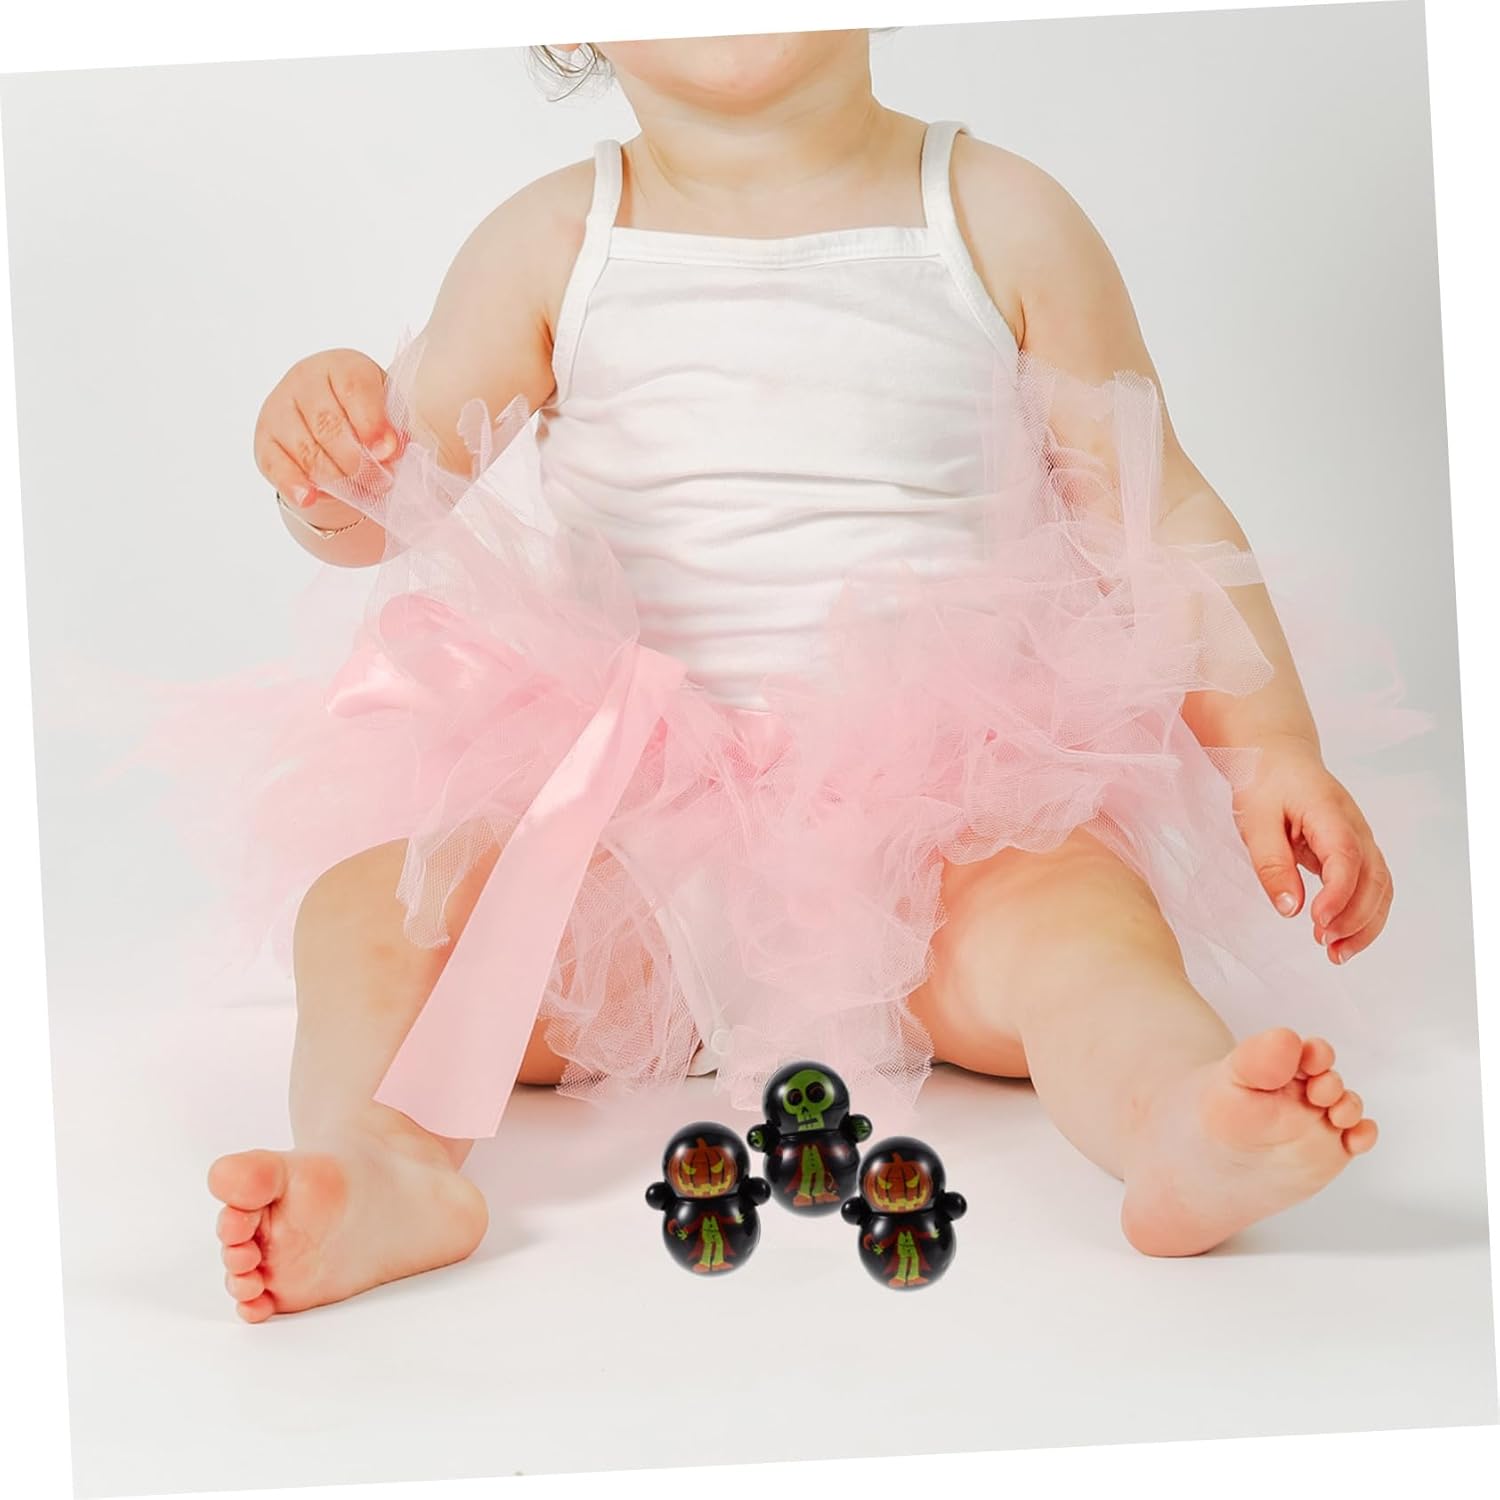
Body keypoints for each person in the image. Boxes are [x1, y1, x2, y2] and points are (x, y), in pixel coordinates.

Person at [207, 32, 1387, 1324]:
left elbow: (1153, 513)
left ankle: (1175, 1118)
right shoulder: (551, 240)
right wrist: (323, 462)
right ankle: (379, 1164)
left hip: (943, 835)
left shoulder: (997, 215)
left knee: (1083, 927)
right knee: (366, 913)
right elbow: (392, 503)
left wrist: (1272, 747)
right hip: (624, 844)